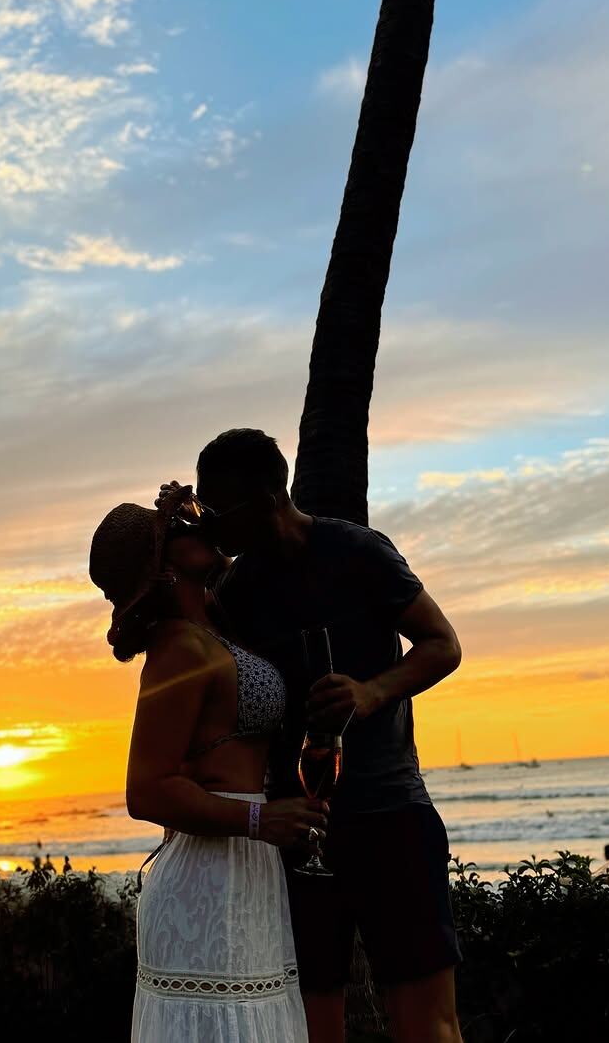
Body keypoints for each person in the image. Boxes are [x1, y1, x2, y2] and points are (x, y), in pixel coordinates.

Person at [172, 428, 465, 1043]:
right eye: (206, 511)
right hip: (299, 831)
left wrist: (371, 692)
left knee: (430, 1025)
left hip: (390, 812)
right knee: (307, 1028)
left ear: (271, 496)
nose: (216, 528)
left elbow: (443, 644)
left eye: (220, 511)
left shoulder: (358, 553)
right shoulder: (239, 592)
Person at [90, 493, 324, 1042]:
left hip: (246, 873)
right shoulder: (178, 650)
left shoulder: (214, 632)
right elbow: (146, 792)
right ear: (164, 565)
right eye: (180, 528)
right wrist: (259, 822)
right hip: (208, 879)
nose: (200, 528)